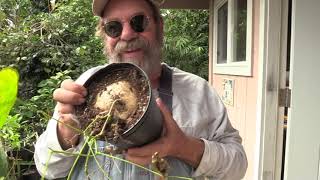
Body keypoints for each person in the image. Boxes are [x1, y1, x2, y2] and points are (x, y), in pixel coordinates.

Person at [34, 0, 248, 179]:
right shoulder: (85, 87)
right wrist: (64, 134)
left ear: (159, 26)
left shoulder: (197, 91)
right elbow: (46, 167)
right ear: (105, 35)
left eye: (138, 22)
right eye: (114, 27)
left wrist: (184, 147)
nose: (126, 35)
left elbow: (238, 166)